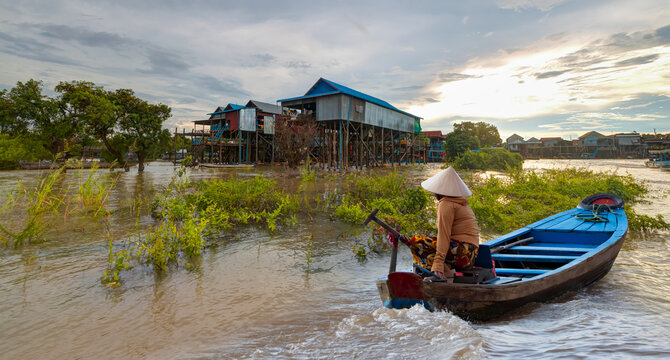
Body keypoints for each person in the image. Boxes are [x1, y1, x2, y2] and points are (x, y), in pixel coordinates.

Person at [421, 167, 480, 282]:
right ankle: (446, 271)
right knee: (431, 242)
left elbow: (444, 235)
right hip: (471, 255)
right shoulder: (460, 202)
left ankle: (440, 272)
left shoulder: (446, 204)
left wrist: (438, 262)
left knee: (417, 242)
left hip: (463, 254)